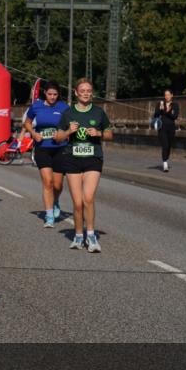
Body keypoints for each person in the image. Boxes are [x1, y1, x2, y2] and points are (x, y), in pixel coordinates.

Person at [53, 79, 113, 253]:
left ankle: (91, 235)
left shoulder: (98, 113)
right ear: (76, 93)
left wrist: (99, 133)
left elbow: (110, 134)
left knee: (88, 198)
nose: (86, 93)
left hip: (93, 158)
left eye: (89, 90)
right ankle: (78, 236)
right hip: (72, 159)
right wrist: (68, 131)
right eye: (83, 90)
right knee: (78, 203)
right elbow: (57, 137)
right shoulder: (68, 113)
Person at [23, 81, 70, 228]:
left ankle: (55, 201)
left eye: (55, 94)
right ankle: (49, 215)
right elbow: (27, 122)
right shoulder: (36, 106)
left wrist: (63, 134)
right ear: (45, 93)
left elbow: (72, 126)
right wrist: (33, 134)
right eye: (50, 94)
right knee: (47, 182)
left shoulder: (64, 107)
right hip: (42, 147)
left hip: (60, 148)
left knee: (57, 185)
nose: (52, 97)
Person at [153, 89, 179, 172]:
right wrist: (160, 109)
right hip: (162, 128)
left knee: (169, 146)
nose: (167, 96)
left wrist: (167, 111)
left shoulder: (175, 105)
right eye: (165, 95)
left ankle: (166, 159)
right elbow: (155, 115)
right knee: (165, 145)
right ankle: (165, 163)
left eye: (168, 95)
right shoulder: (160, 104)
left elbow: (174, 116)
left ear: (172, 95)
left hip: (171, 128)